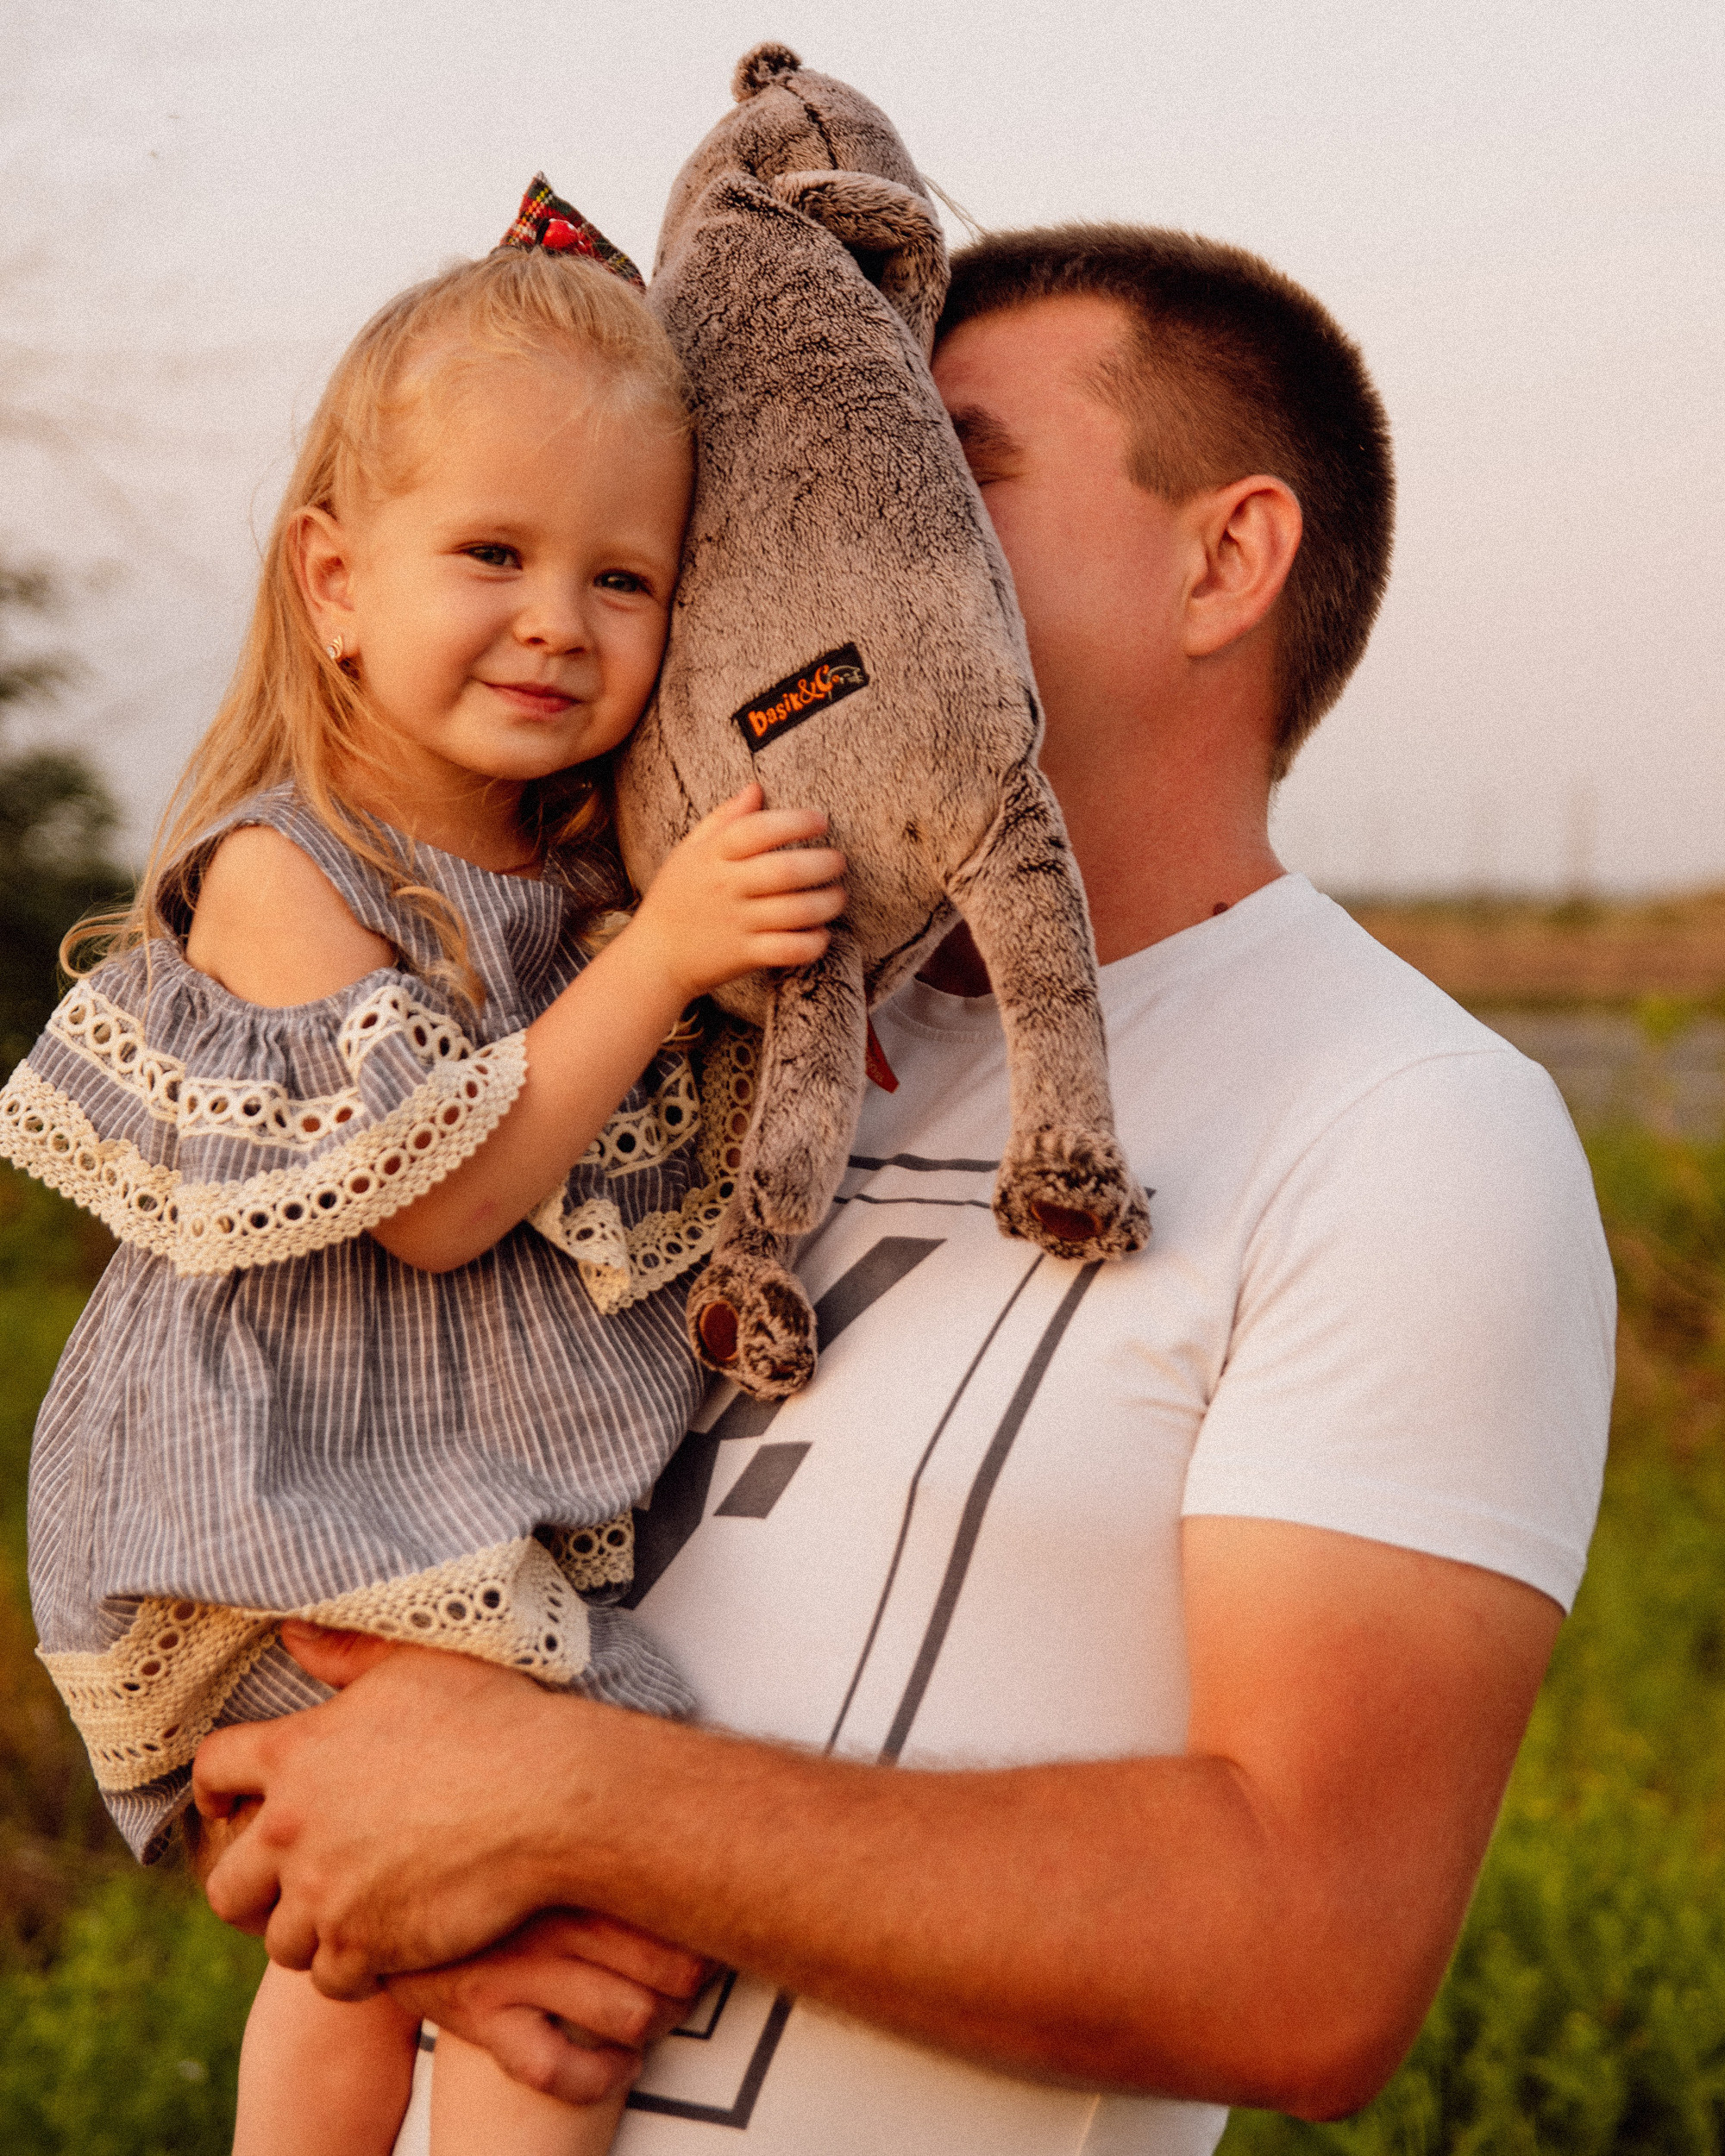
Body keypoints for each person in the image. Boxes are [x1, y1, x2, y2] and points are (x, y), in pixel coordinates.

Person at [192, 226, 1615, 2156]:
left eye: (945, 462)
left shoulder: (1409, 1120)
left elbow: (1311, 1953)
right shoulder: (698, 1018)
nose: (803, 516)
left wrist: (552, 1799)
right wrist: (357, 1829)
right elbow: (322, 1492)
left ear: (1226, 557)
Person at [0, 241, 849, 2156]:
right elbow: (438, 1207)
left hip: (436, 1531)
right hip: (290, 1525)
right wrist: (661, 963)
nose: (557, 620)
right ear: (335, 583)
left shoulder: (590, 892)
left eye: (619, 579)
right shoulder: (281, 874)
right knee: (536, 1981)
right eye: (494, 554)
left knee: (387, 1962)